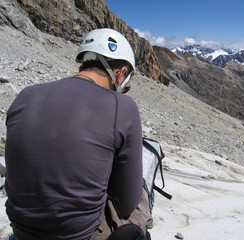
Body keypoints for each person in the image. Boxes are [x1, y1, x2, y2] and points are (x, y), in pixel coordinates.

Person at [5, 28, 147, 240]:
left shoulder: (26, 95)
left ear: (84, 63)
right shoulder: (123, 106)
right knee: (142, 195)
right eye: (126, 83)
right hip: (78, 235)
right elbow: (126, 204)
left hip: (21, 230)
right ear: (120, 73)